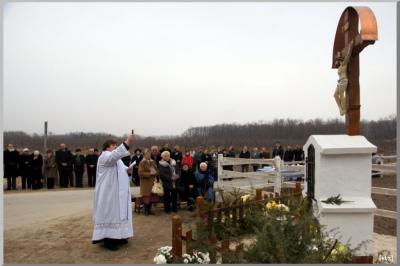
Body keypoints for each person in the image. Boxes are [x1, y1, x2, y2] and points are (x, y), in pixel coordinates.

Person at [92, 134, 135, 251]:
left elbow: (122, 170)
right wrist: (127, 142)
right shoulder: (104, 156)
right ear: (107, 147)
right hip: (108, 193)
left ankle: (120, 236)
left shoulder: (117, 159)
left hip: (117, 193)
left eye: (117, 145)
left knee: (118, 215)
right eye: (113, 145)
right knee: (110, 214)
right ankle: (108, 240)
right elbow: (115, 155)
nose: (116, 147)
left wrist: (128, 170)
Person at [334, 40, 354, 116]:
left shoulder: (344, 63)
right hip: (339, 82)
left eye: (338, 59)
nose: (338, 61)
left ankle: (344, 108)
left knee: (341, 94)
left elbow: (348, 55)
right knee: (335, 95)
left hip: (344, 80)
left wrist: (351, 46)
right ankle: (341, 109)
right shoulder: (339, 67)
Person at [138, 149, 159, 216]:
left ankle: (150, 210)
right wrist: (150, 173)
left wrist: (156, 173)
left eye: (149, 154)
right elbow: (140, 173)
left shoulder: (153, 161)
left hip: (153, 182)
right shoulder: (142, 162)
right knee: (147, 197)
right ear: (144, 155)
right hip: (146, 183)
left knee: (152, 196)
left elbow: (157, 170)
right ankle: (146, 210)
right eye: (147, 154)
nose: (148, 155)